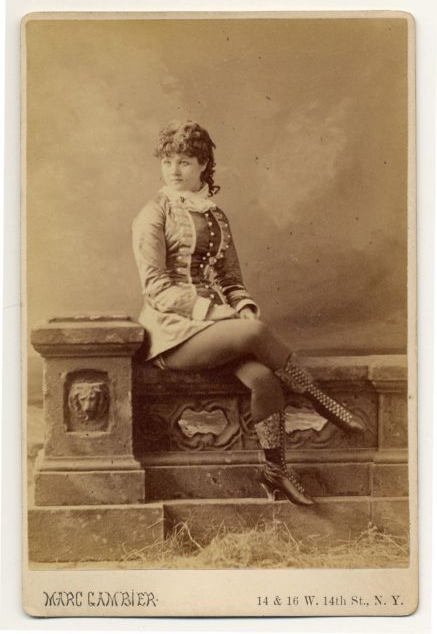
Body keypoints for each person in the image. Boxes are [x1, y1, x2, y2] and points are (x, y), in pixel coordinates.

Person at [132, 120, 365, 507]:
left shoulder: (216, 216)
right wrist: (218, 314)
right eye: (168, 161)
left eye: (185, 162)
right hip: (173, 335)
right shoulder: (152, 215)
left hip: (216, 332)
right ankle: (320, 400)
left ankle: (275, 471)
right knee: (254, 334)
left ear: (204, 165)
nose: (174, 170)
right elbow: (156, 289)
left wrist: (240, 306)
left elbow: (230, 277)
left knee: (264, 381)